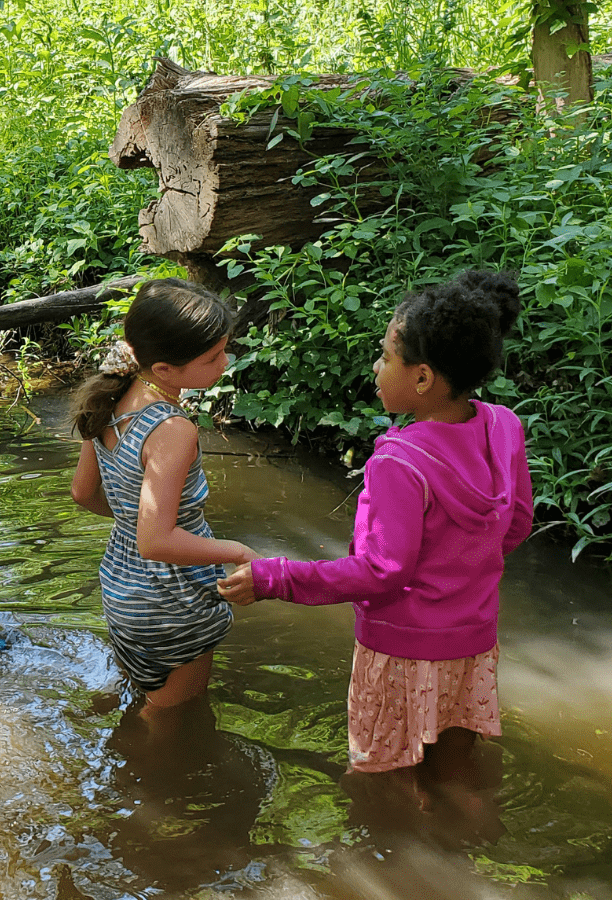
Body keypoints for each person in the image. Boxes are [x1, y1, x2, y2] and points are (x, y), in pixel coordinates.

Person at [219, 269, 533, 774]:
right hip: (473, 645)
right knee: (455, 774)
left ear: (423, 377)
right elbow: (515, 523)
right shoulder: (504, 426)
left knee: (380, 778)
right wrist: (460, 582)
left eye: (386, 355)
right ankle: (465, 844)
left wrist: (274, 577)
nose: (376, 365)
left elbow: (381, 570)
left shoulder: (398, 463)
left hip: (400, 653)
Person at [68, 277, 256, 717]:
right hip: (172, 598)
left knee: (143, 696)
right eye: (212, 357)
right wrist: (238, 550)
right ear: (166, 370)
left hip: (120, 586)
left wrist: (136, 522)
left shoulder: (108, 400)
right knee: (172, 719)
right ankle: (145, 776)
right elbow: (156, 542)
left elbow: (83, 493)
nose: (225, 363)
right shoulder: (172, 430)